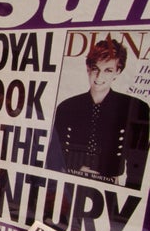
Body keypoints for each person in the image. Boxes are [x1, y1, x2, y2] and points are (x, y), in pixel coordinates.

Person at [47, 37, 149, 189]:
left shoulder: (136, 107)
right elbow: (53, 155)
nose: (99, 77)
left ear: (118, 71)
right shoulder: (67, 107)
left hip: (110, 188)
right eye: (95, 68)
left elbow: (139, 162)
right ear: (88, 68)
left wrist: (126, 194)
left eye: (108, 70)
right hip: (70, 183)